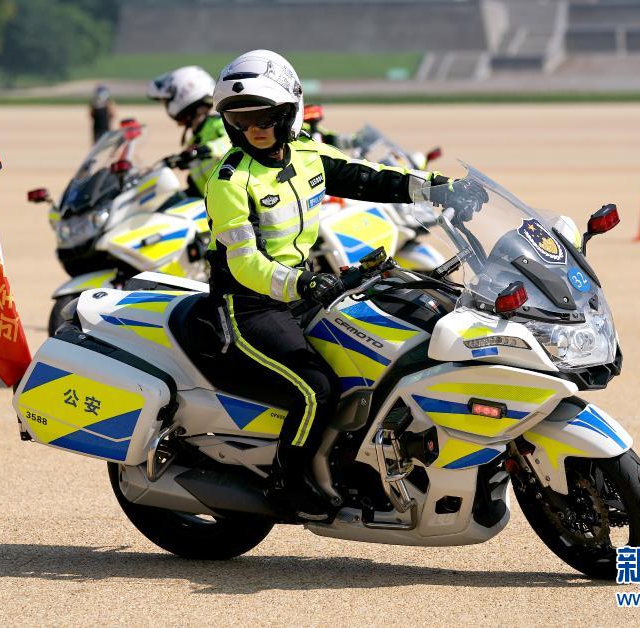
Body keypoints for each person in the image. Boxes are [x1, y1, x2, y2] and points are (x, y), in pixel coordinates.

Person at [203, 50, 486, 521]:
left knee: (374, 363)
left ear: (289, 112)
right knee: (315, 388)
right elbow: (245, 262)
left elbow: (367, 177)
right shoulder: (229, 181)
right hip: (250, 306)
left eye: (266, 116)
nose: (254, 128)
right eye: (240, 118)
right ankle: (288, 481)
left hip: (299, 291)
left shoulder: (309, 152)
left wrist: (437, 187)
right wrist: (301, 283)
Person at [147, 66, 231, 197]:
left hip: (228, 202)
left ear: (183, 97)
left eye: (167, 102)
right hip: (204, 200)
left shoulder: (220, 123)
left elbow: (231, 143)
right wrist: (179, 160)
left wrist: (203, 151)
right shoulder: (195, 139)